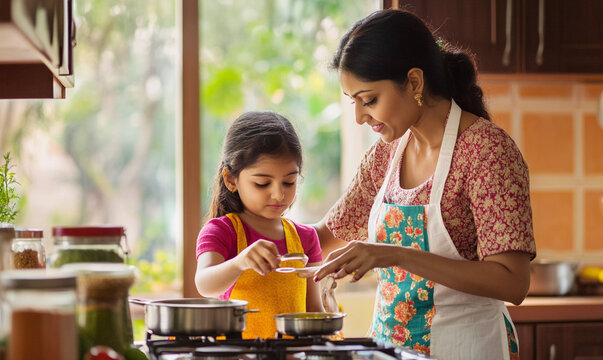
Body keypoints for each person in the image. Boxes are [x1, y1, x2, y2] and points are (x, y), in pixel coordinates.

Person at [311, 9, 536, 359]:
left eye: (369, 100)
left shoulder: (485, 151)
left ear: (414, 82)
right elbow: (321, 237)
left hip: (467, 348)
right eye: (352, 102)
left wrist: (396, 255)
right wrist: (247, 234)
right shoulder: (385, 155)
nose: (358, 117)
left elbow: (512, 282)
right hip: (389, 350)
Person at [195, 111, 323, 339]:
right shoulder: (222, 231)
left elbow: (313, 309)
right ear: (231, 179)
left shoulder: (306, 238)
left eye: (289, 181)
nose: (278, 194)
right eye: (262, 183)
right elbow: (205, 284)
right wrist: (240, 262)